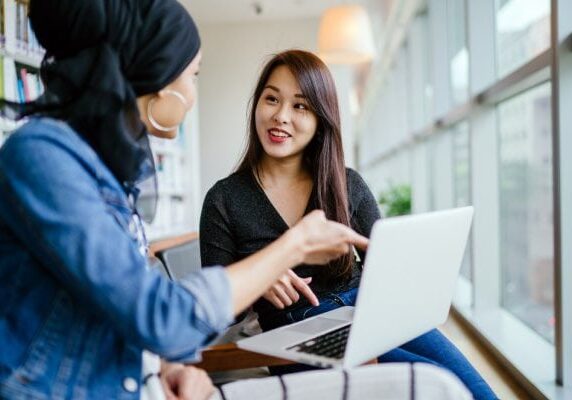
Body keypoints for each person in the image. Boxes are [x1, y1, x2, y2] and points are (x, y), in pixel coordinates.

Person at [0, 2, 370, 399]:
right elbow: (159, 316)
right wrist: (292, 246)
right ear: (156, 76)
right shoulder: (42, 158)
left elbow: (117, 309)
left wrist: (165, 365)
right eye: (193, 76)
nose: (193, 95)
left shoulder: (101, 171)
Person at [200, 50, 497, 400]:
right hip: (297, 329)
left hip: (370, 311)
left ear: (320, 120)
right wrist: (260, 277)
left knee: (477, 392)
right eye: (271, 99)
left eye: (300, 106)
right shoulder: (224, 198)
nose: (280, 116)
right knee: (433, 386)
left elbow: (385, 267)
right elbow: (213, 312)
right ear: (257, 105)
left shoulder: (345, 182)